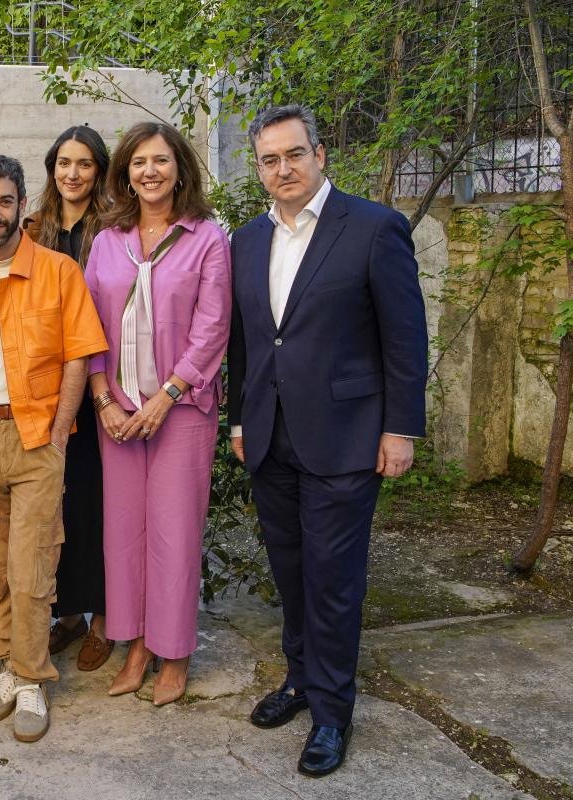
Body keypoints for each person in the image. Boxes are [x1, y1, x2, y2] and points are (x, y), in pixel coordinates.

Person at [228, 105, 427, 776]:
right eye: (270, 159)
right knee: (290, 572)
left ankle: (333, 712)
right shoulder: (247, 240)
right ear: (259, 168)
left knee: (334, 581)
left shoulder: (373, 227)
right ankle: (300, 680)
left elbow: (405, 337)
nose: (283, 169)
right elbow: (245, 341)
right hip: (270, 437)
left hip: (347, 438)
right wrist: (239, 421)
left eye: (294, 154)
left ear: (319, 155)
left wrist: (400, 428)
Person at [0, 155, 108, 743]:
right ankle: (8, 663)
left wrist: (59, 432)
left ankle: (31, 677)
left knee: (33, 565)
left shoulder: (59, 272)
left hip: (36, 439)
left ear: (22, 204)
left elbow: (79, 355)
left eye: (4, 201)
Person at [84, 121, 231, 706]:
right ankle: (137, 644)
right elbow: (87, 326)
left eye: (161, 160)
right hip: (117, 414)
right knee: (123, 534)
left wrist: (166, 396)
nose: (150, 171)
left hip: (182, 410)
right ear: (125, 173)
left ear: (179, 168)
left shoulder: (206, 238)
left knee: (174, 533)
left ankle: (174, 653)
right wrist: (102, 399)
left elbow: (212, 327)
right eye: (139, 162)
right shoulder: (106, 241)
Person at [21, 126, 114, 672]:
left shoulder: (118, 226)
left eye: (83, 164)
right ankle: (69, 614)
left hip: (105, 378)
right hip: (49, 385)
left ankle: (104, 618)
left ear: (99, 170)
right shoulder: (35, 229)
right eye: (63, 163)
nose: (72, 174)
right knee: (55, 500)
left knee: (98, 501)